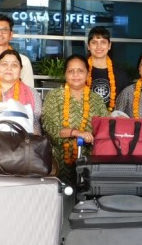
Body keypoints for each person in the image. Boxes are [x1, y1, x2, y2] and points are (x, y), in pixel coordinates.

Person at [42, 54, 108, 184]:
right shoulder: (54, 96)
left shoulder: (96, 99)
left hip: (90, 162)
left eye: (80, 70)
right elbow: (49, 126)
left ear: (87, 74)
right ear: (65, 74)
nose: (75, 74)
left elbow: (104, 127)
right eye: (71, 71)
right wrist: (76, 133)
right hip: (58, 162)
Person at [86, 26, 128, 112]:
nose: (99, 46)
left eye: (103, 42)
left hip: (113, 120)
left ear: (109, 45)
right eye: (94, 42)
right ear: (88, 46)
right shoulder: (80, 72)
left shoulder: (121, 75)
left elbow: (126, 105)